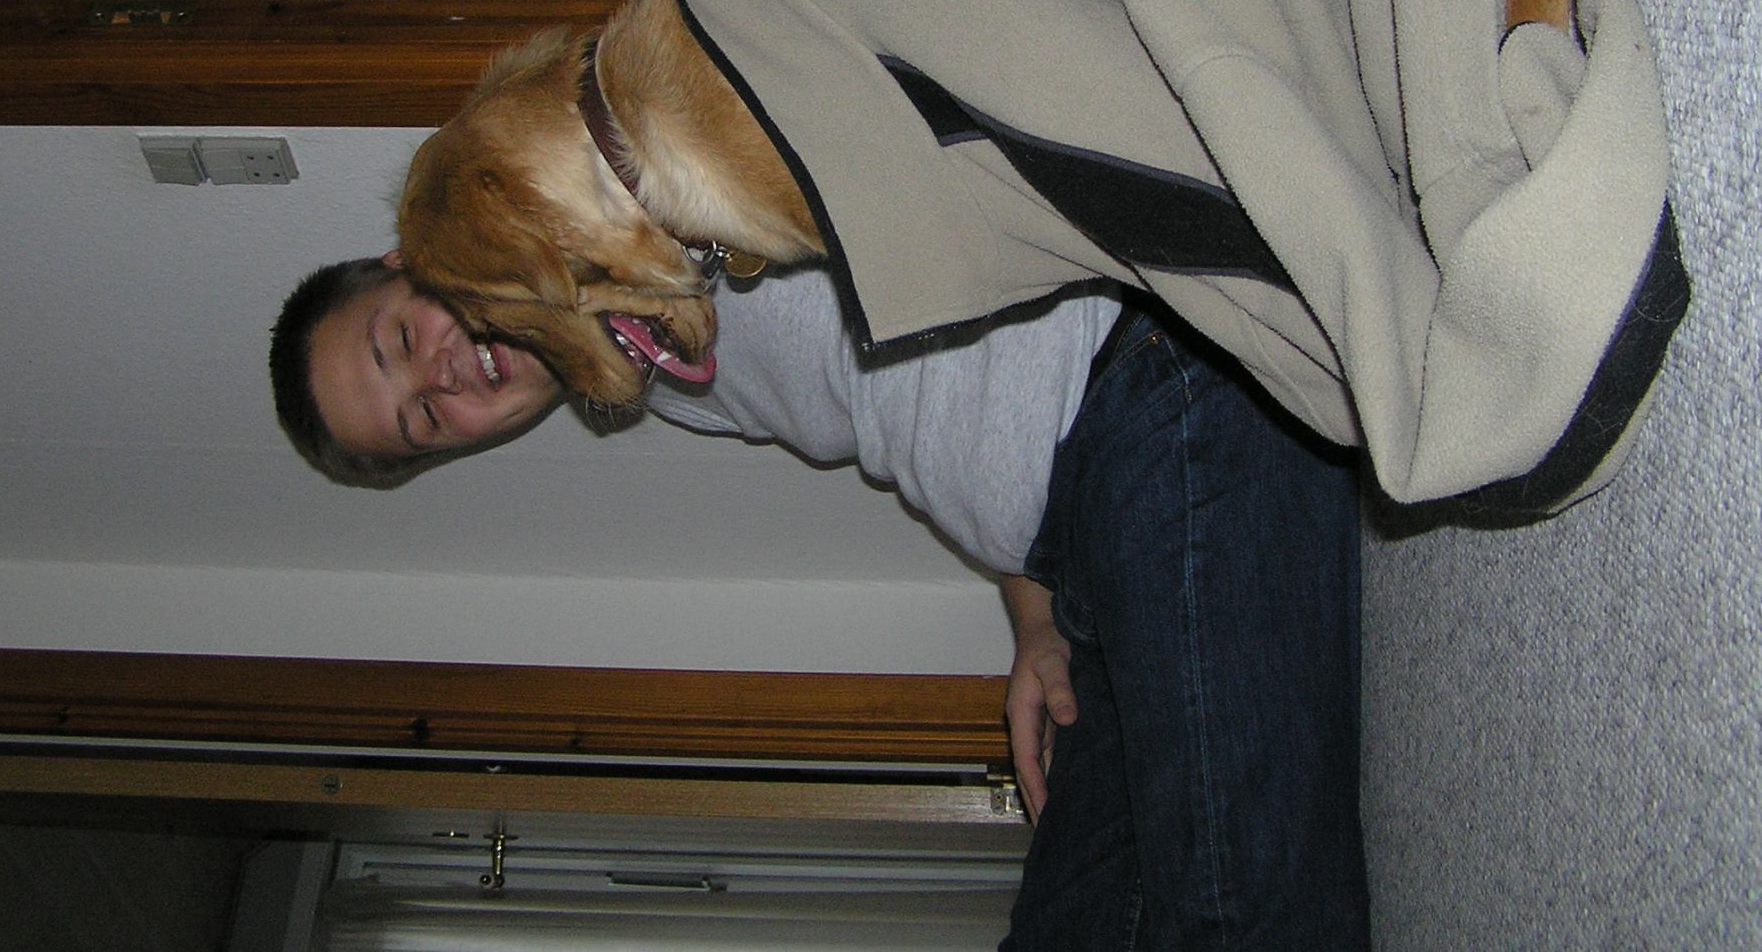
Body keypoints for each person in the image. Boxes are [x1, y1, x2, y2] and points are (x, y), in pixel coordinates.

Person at [272, 257, 1369, 946]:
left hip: (1155, 375)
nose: (443, 376)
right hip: (1084, 549)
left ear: (414, 256)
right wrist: (1032, 617)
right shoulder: (643, 384)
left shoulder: (606, 188)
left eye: (401, 338)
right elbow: (918, 402)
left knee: (1231, 912)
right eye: (422, 421)